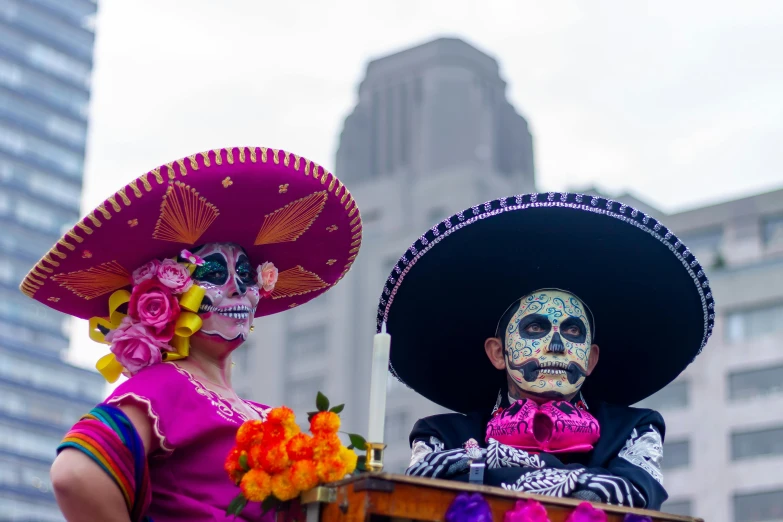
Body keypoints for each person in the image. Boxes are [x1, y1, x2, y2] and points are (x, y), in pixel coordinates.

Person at [20, 146, 362, 521]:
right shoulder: (167, 385)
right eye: (214, 273)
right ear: (167, 294)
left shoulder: (266, 417)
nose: (236, 287)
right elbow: (75, 474)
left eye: (246, 275)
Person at [375, 192, 715, 511]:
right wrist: (577, 480)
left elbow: (628, 495)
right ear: (498, 353)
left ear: (590, 358)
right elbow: (421, 493)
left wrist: (482, 464)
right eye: (535, 329)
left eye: (572, 330)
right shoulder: (440, 434)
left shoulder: (636, 429)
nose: (556, 346)